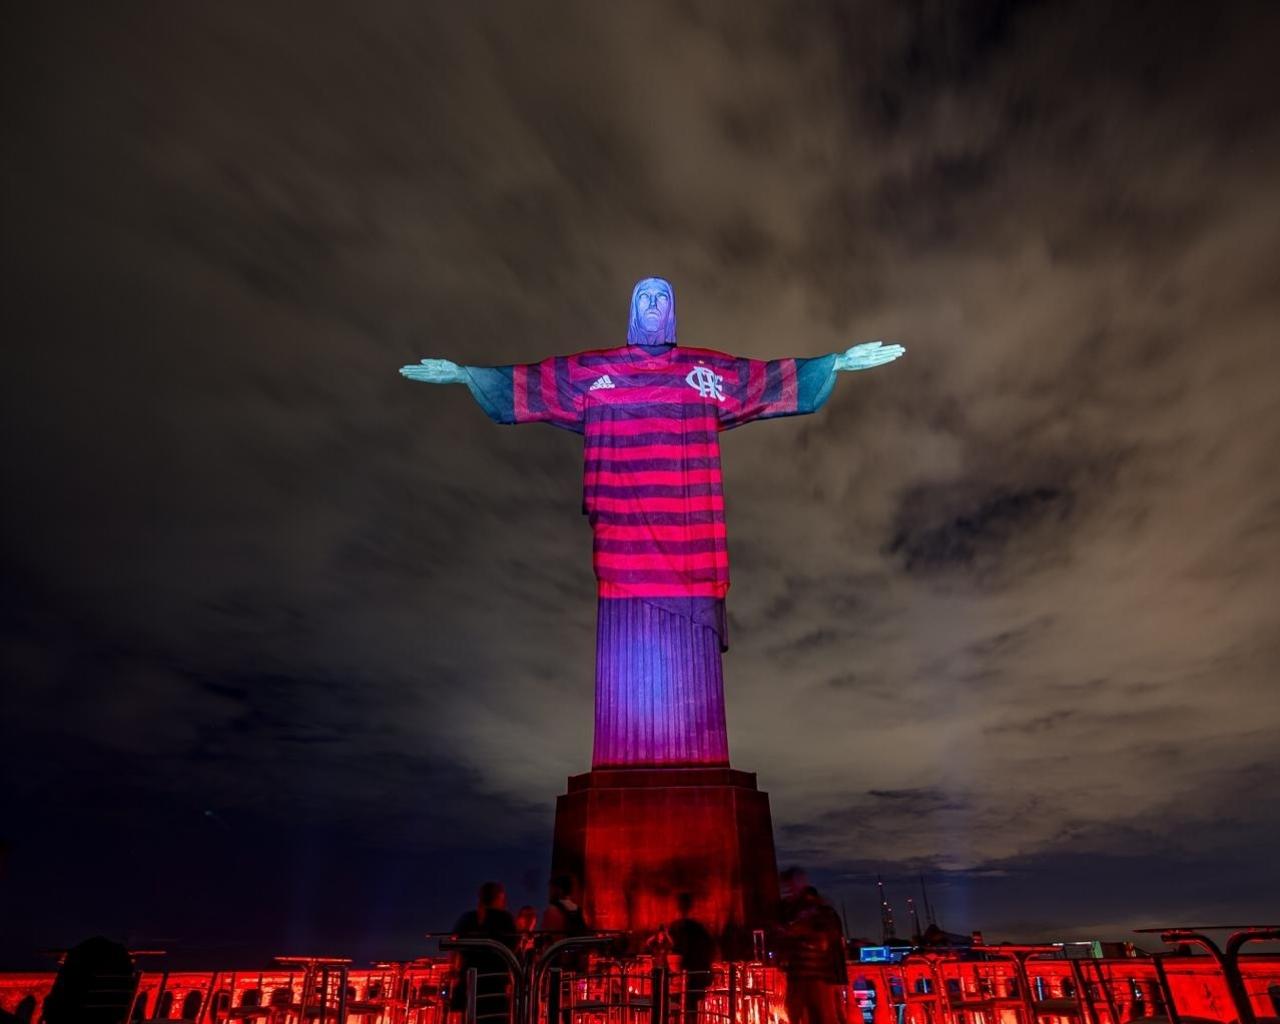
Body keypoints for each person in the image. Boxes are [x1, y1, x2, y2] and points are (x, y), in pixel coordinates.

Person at [400, 279, 905, 772]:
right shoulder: (599, 371)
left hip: (689, 545)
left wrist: (833, 363)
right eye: (644, 296)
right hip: (624, 550)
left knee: (690, 680)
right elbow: (536, 382)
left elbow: (761, 380)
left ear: (672, 312)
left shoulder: (699, 370)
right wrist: (468, 375)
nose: (653, 303)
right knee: (627, 678)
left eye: (662, 297)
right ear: (632, 310)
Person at [450, 882, 517, 1023]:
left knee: (472, 1017)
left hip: (471, 981)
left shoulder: (467, 918)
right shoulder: (505, 920)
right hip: (496, 983)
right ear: (500, 897)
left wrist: (455, 973)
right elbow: (513, 948)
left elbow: (455, 946)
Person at [779, 887, 846, 1024]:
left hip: (814, 976)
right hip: (804, 975)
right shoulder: (814, 917)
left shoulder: (820, 918)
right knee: (805, 1012)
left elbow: (824, 942)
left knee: (820, 1013)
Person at [669, 892, 715, 1024]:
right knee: (689, 1010)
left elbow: (672, 950)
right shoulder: (695, 928)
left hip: (689, 977)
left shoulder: (682, 928)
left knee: (685, 1009)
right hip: (691, 977)